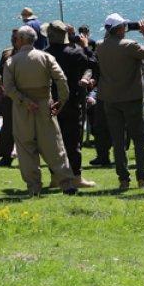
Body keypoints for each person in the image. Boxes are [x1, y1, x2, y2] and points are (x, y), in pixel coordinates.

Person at [3, 26, 79, 196]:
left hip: (22, 108)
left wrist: (24, 100)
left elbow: (8, 88)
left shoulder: (12, 62)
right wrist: (61, 101)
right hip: (46, 105)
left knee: (25, 147)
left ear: (21, 40)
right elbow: (61, 79)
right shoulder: (46, 57)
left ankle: (34, 186)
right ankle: (66, 183)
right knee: (54, 145)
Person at [95, 13, 144, 190]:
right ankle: (142, 178)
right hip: (132, 99)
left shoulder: (100, 46)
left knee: (118, 141)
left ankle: (123, 179)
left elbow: (107, 40)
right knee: (139, 138)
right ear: (120, 28)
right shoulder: (130, 45)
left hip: (110, 99)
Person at [44, 21, 98, 187]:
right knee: (73, 142)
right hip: (73, 101)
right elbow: (94, 64)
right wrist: (86, 46)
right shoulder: (75, 52)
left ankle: (55, 177)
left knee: (54, 142)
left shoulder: (45, 54)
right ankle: (76, 177)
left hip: (52, 102)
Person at [0, 33, 17, 167]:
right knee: (7, 126)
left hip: (25, 94)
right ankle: (5, 156)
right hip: (8, 96)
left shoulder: (31, 54)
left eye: (16, 38)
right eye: (12, 38)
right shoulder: (6, 53)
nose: (13, 40)